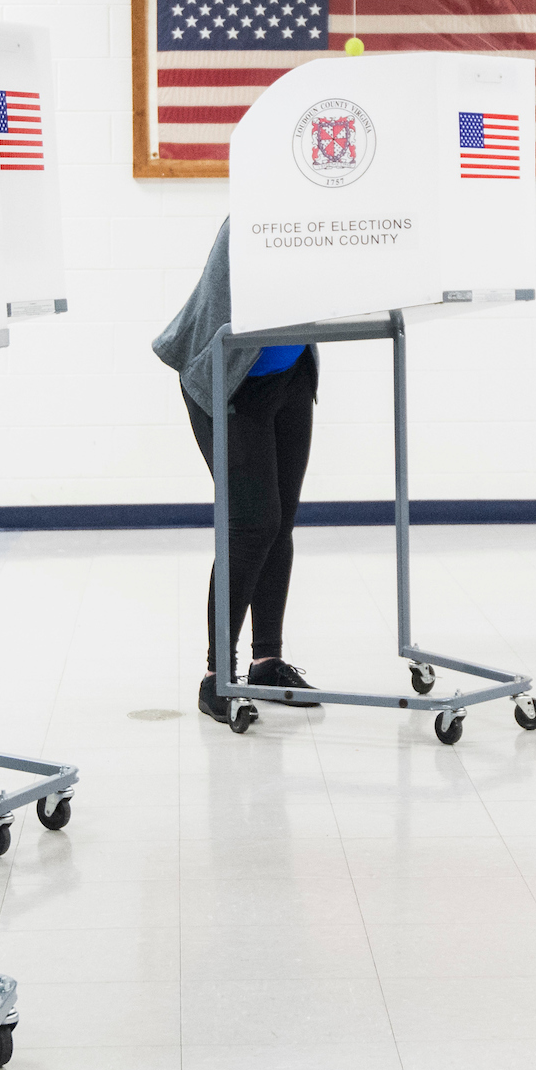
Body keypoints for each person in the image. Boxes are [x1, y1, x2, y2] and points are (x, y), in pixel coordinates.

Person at [153, 217, 322, 722]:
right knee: (253, 522)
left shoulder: (328, 215)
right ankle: (217, 677)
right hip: (226, 378)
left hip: (289, 373)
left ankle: (266, 662)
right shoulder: (254, 217)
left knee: (281, 520)